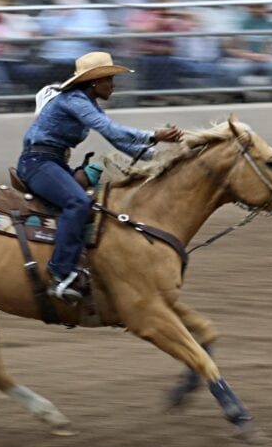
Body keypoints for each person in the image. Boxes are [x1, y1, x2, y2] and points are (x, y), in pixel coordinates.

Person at [17, 51, 184, 304]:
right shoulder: (74, 99)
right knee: (78, 203)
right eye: (109, 80)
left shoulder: (85, 103)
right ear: (94, 82)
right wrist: (154, 135)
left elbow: (118, 140)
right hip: (38, 163)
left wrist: (161, 160)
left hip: (51, 164)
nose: (113, 86)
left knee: (101, 199)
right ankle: (61, 273)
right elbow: (110, 129)